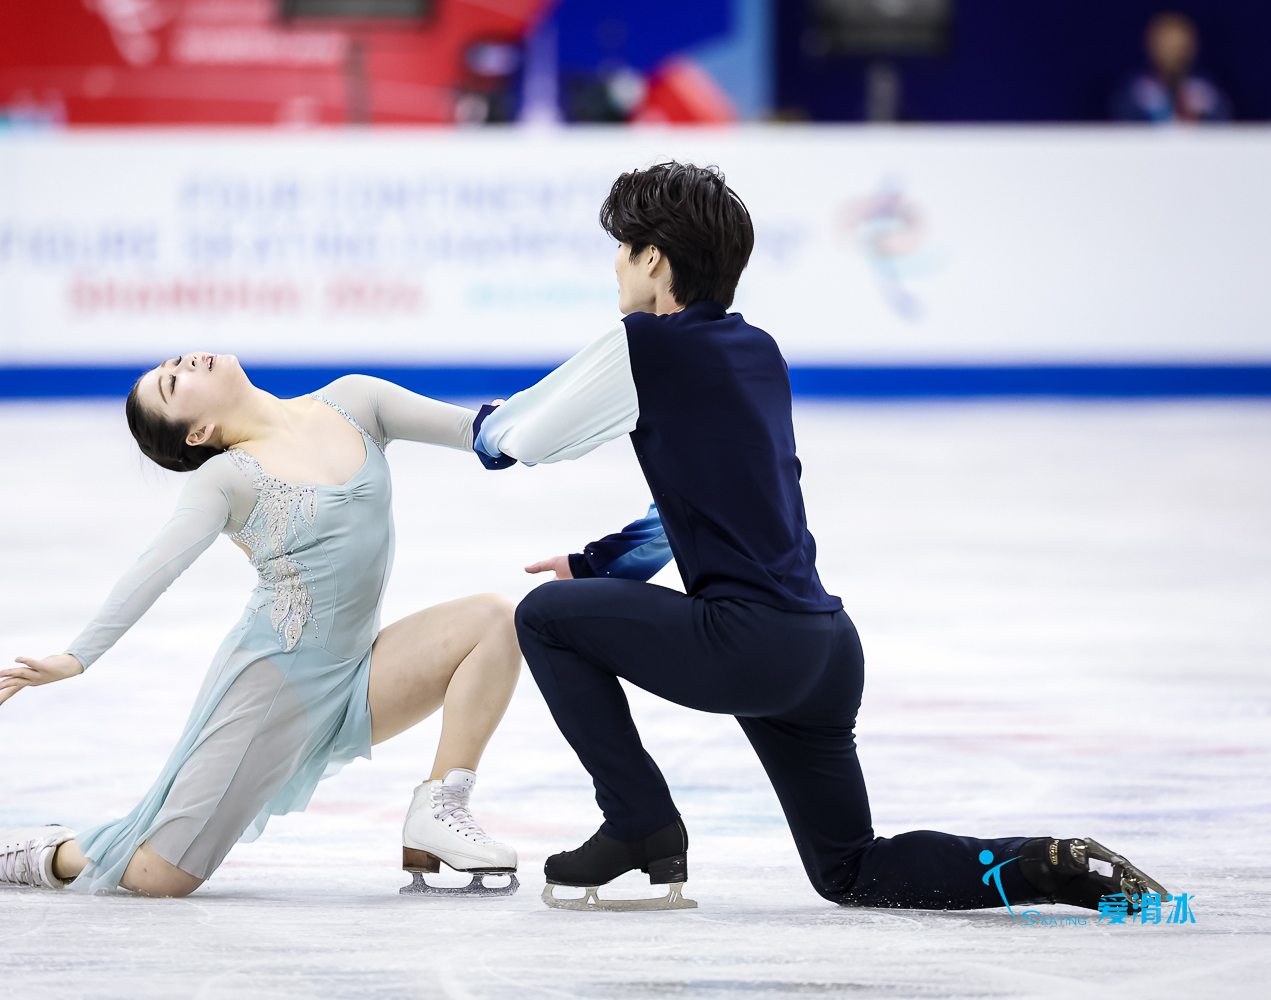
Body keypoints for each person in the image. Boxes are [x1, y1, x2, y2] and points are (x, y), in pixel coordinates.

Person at [473, 161, 1168, 912]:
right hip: (823, 648)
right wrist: (597, 563)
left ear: (655, 259)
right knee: (851, 871)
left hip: (748, 641)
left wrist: (479, 430)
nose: (615, 264)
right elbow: (706, 495)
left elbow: (522, 438)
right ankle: (1043, 864)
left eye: (624, 247)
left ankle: (639, 822)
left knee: (542, 618)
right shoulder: (758, 349)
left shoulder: (646, 342)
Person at [0, 357, 523, 898]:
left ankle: (440, 809)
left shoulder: (356, 401)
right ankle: (47, 852)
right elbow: (155, 568)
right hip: (273, 687)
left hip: (360, 670)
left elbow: (482, 432)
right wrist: (77, 656)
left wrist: (542, 420)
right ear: (198, 434)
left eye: (172, 363)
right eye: (173, 383)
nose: (184, 363)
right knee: (164, 876)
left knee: (494, 621)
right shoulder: (224, 479)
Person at [1112, 11, 1230, 124]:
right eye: (1167, 46)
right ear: (1152, 45)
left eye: (1179, 46)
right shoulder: (1134, 92)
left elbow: (1222, 127)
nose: (1173, 53)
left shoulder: (1207, 92)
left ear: (1192, 47)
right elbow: (1122, 127)